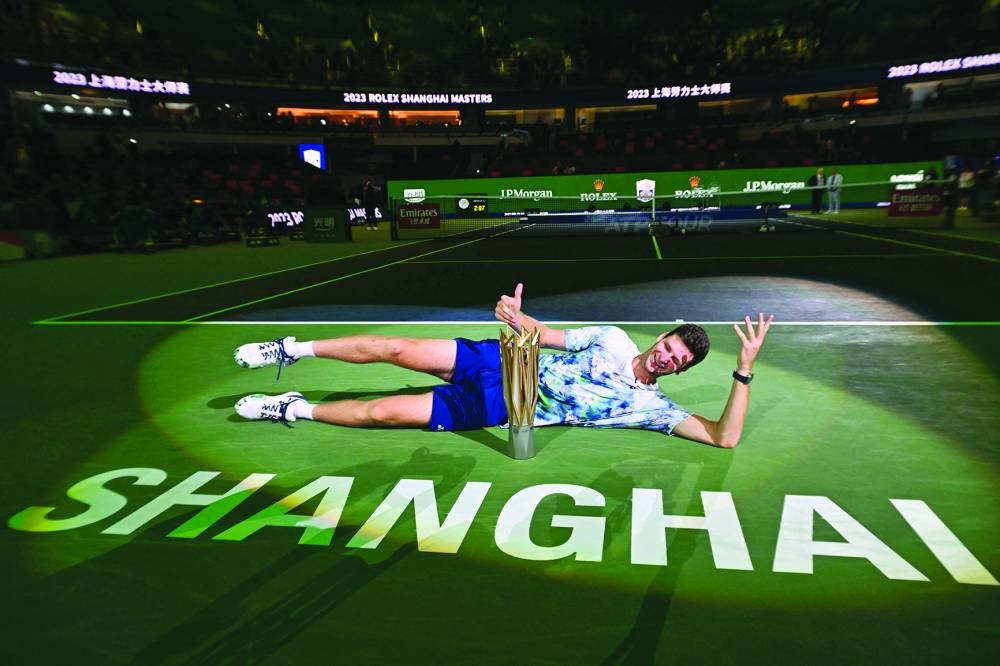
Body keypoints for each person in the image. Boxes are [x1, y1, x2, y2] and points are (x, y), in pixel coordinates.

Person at [232, 284, 775, 449]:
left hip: (508, 403)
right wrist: (517, 317)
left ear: (678, 371)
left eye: (676, 361)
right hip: (504, 359)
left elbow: (724, 437)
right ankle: (290, 349)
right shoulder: (610, 338)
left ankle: (292, 407)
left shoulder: (649, 406)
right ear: (661, 338)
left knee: (382, 411)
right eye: (670, 345)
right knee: (394, 347)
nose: (666, 356)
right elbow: (545, 336)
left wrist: (744, 369)